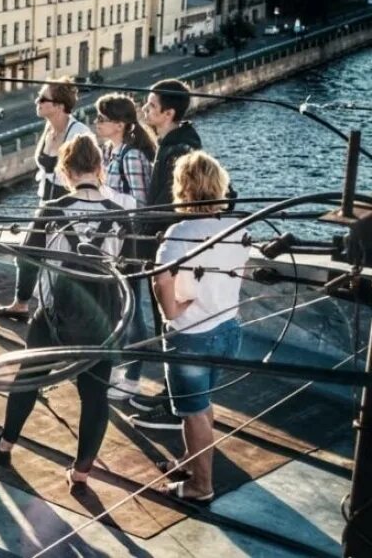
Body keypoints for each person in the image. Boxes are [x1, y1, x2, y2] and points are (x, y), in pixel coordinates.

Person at [0, 135, 126, 488]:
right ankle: (82, 472)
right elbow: (130, 271)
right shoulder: (123, 215)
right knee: (94, 395)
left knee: (28, 379)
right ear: (99, 169)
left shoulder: (51, 210)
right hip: (102, 318)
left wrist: (24, 298)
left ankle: (5, 444)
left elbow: (28, 260)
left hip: (54, 314)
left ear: (65, 170)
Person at [153, 152, 248, 503]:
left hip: (192, 335)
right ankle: (193, 463)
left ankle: (200, 486)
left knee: (192, 413)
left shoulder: (181, 231)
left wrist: (171, 310)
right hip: (229, 330)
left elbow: (160, 277)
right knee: (203, 405)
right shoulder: (239, 228)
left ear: (184, 189)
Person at [129, 78, 203, 430]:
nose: (145, 110)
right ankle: (172, 397)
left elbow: (171, 205)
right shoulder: (175, 143)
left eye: (151, 106)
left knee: (173, 325)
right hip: (167, 246)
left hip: (169, 250)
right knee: (168, 324)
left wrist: (141, 231)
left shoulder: (178, 150)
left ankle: (178, 407)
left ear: (168, 113)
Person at [0, 80, 91, 320]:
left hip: (69, 203)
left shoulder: (78, 133)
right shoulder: (49, 128)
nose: (37, 102)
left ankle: (79, 312)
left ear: (58, 105)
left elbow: (87, 173)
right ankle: (21, 304)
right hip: (48, 201)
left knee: (75, 257)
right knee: (28, 252)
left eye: (42, 99)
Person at [94, 93, 156, 401]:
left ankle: (132, 378)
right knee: (117, 306)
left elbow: (142, 204)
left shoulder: (131, 155)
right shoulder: (109, 150)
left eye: (102, 119)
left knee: (132, 310)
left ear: (119, 124)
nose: (97, 123)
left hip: (129, 241)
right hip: (112, 239)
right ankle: (119, 369)